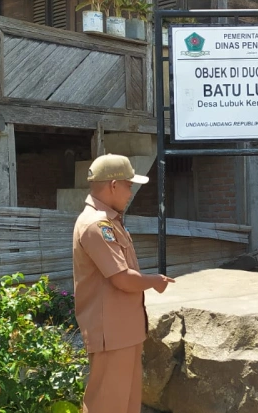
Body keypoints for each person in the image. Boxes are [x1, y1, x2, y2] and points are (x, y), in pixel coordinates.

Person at [73, 154, 175, 413]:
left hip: (122, 331)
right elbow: (121, 278)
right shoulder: (96, 225)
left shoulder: (109, 221)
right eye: (129, 186)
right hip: (111, 333)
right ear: (113, 185)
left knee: (126, 405)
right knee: (106, 405)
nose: (131, 193)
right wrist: (154, 281)